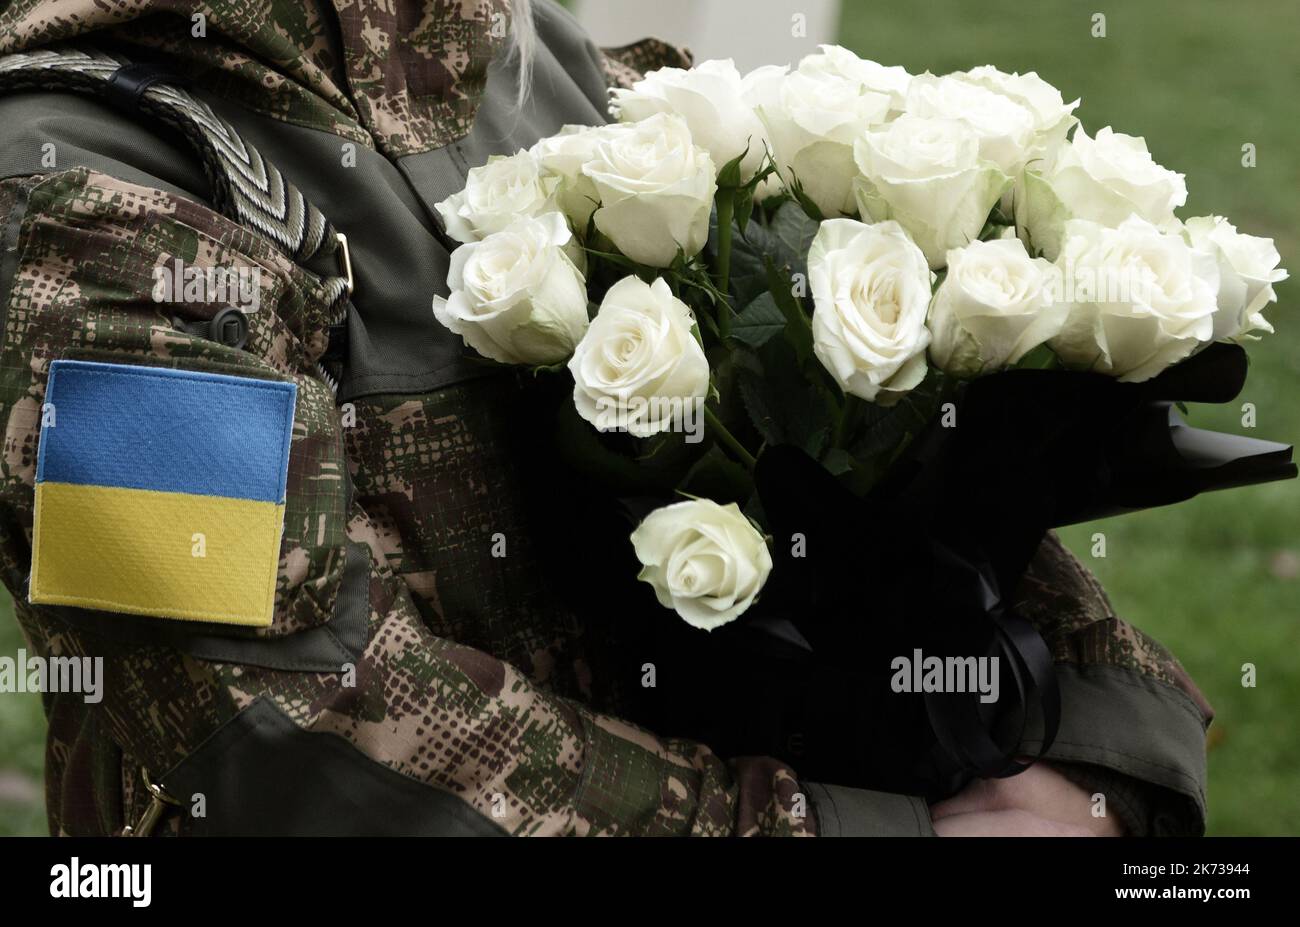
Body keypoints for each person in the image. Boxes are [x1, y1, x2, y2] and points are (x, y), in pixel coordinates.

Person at [0, 0, 1212, 836]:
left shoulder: (533, 60)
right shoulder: (89, 185)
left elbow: (887, 446)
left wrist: (1098, 738)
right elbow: (273, 740)